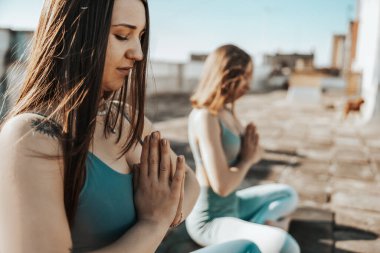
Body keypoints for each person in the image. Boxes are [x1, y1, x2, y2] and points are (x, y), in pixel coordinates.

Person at [0, 1, 260, 252]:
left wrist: (165, 210)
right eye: (122, 35)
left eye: (141, 36)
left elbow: (189, 182)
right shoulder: (30, 136)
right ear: (73, 35)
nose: (138, 53)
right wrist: (153, 223)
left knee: (248, 247)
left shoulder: (125, 118)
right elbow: (176, 202)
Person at [185, 44, 301, 253]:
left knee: (288, 194)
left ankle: (255, 228)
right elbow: (222, 186)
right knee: (286, 246)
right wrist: (247, 159)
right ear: (228, 75)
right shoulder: (205, 117)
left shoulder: (227, 111)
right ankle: (263, 229)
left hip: (234, 205)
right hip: (210, 218)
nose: (248, 84)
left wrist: (252, 150)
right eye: (245, 76)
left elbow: (255, 154)